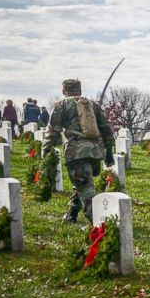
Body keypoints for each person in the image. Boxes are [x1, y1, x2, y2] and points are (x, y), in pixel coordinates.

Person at [44, 79, 115, 224]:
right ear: (80, 90)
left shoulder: (61, 105)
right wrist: (109, 152)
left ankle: (98, 224)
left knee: (85, 189)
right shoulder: (92, 105)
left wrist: (46, 152)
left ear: (64, 91)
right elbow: (106, 129)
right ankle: (71, 214)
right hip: (95, 152)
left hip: (76, 153)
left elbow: (53, 130)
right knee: (83, 183)